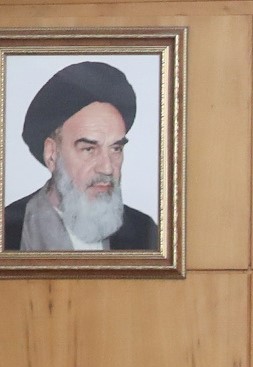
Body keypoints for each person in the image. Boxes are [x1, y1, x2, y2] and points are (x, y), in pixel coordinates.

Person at [4, 61, 158, 252]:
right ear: (52, 155)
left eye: (116, 149)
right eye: (89, 149)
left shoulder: (144, 232)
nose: (107, 168)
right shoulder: (9, 231)